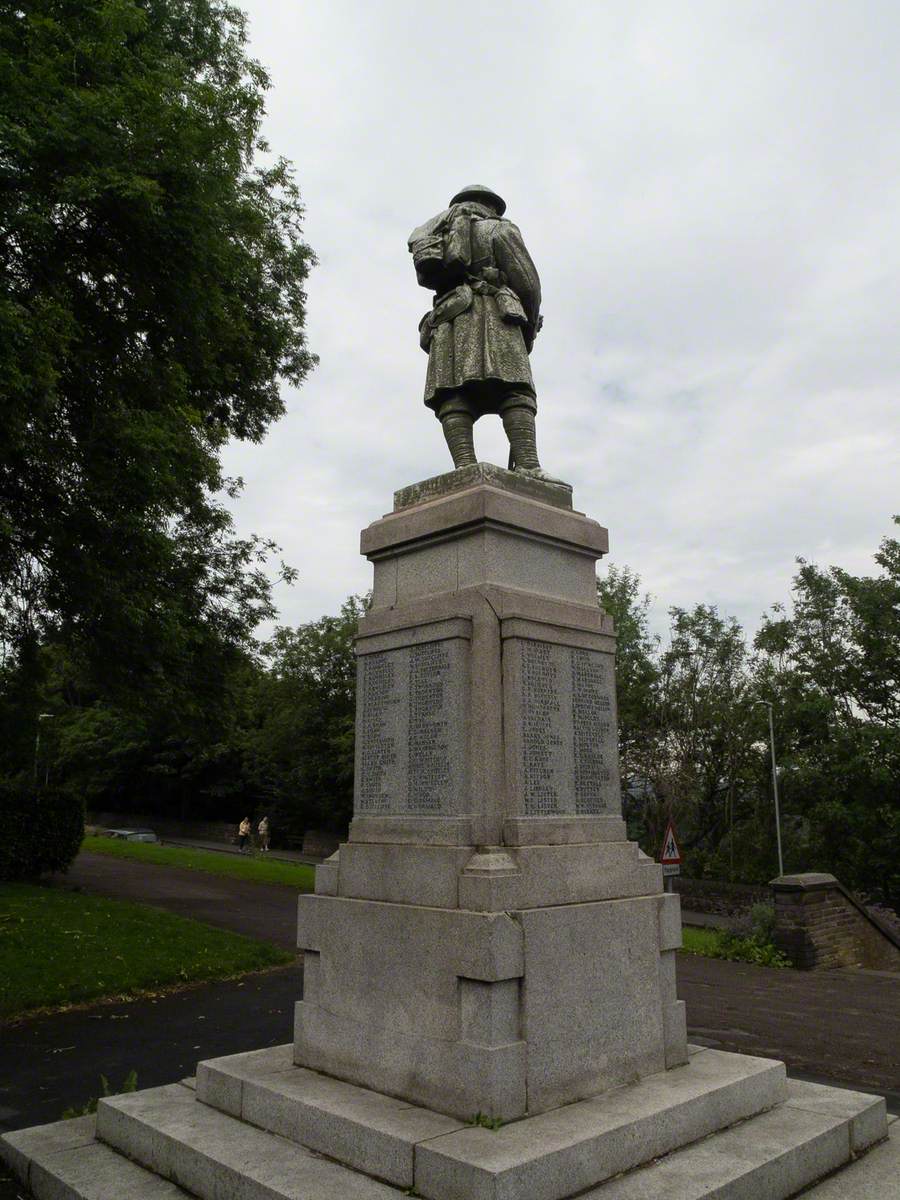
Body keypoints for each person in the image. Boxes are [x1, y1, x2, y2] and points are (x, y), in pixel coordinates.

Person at [408, 184, 559, 480]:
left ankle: (464, 466)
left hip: (449, 320)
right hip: (494, 317)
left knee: (453, 397)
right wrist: (528, 327)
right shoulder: (498, 230)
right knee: (515, 391)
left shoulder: (436, 237)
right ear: (489, 206)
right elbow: (528, 284)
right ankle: (528, 464)